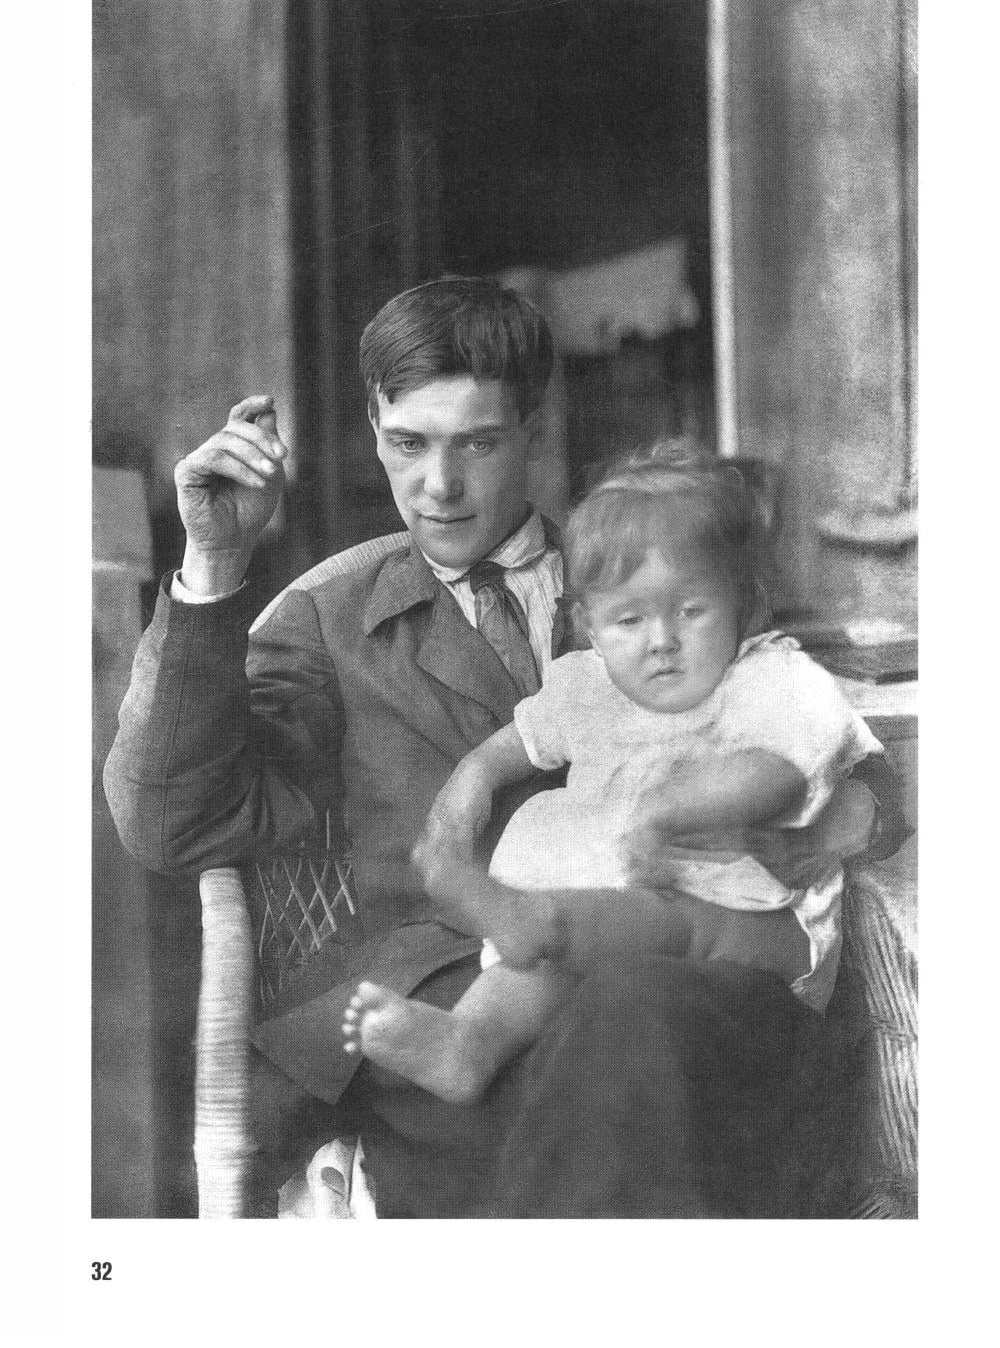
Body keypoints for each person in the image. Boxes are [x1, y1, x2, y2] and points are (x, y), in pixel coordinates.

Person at [105, 275, 898, 1217]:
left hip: (697, 991)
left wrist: (822, 829)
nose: (439, 485)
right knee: (620, 1037)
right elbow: (172, 823)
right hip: (462, 1021)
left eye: (477, 443)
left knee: (648, 1015)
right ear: (373, 428)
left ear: (532, 427)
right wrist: (214, 564)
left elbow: (856, 774)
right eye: (409, 444)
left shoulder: (650, 573)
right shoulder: (333, 621)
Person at [340, 441, 882, 1104]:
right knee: (543, 964)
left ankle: (535, 920)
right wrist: (472, 778)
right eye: (629, 619)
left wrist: (673, 810)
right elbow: (519, 741)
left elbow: (782, 771)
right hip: (614, 915)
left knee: (655, 924)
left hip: (757, 925)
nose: (662, 640)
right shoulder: (588, 687)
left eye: (692, 611)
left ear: (743, 604)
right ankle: (467, 1044)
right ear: (590, 627)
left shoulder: (766, 677)